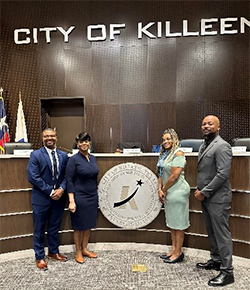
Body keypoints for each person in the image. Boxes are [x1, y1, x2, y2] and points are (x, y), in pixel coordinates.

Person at [194, 115, 234, 287]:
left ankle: (228, 272)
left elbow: (223, 174)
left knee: (221, 234)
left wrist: (205, 191)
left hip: (218, 198)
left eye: (210, 124)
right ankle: (216, 260)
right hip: (207, 196)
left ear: (219, 127)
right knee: (211, 231)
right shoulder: (204, 144)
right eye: (203, 124)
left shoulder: (222, 146)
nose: (206, 126)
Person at [27, 128, 68, 270]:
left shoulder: (63, 155)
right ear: (42, 138)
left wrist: (62, 189)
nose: (49, 138)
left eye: (51, 136)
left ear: (56, 137)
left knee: (54, 227)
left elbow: (66, 176)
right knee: (39, 228)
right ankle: (39, 256)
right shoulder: (35, 155)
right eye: (46, 136)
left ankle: (53, 252)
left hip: (59, 199)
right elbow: (33, 177)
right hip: (41, 198)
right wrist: (51, 192)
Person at [157, 128, 190, 263]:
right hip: (168, 191)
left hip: (178, 191)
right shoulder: (164, 155)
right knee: (171, 223)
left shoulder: (178, 153)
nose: (166, 142)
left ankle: (178, 252)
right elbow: (160, 173)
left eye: (169, 139)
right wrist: (160, 189)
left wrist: (163, 190)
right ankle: (173, 249)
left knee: (179, 224)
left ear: (175, 139)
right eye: (164, 139)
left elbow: (174, 176)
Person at [66, 132, 99, 263]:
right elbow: (69, 180)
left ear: (89, 143)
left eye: (86, 141)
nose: (84, 144)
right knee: (79, 226)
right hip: (79, 197)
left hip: (92, 196)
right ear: (77, 144)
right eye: (81, 142)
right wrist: (71, 201)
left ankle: (85, 248)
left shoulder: (93, 158)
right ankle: (78, 251)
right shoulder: (73, 160)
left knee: (89, 224)